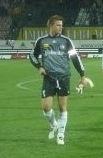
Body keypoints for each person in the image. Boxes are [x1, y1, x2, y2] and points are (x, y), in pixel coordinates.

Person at [29, 14, 87, 145]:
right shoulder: (42, 41)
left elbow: (75, 58)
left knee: (62, 107)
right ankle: (54, 124)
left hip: (63, 77)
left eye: (61, 25)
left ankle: (61, 134)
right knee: (46, 107)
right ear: (50, 25)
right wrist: (39, 67)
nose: (61, 27)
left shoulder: (66, 41)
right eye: (58, 25)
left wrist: (82, 75)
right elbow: (32, 56)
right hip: (48, 78)